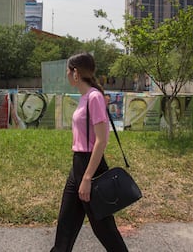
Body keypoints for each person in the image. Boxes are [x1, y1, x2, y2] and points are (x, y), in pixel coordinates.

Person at [50, 52, 128, 252]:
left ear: (75, 73)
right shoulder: (85, 97)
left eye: (68, 71)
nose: (67, 75)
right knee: (65, 226)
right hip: (78, 165)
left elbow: (102, 141)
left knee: (105, 230)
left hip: (89, 167)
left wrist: (86, 177)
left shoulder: (94, 97)